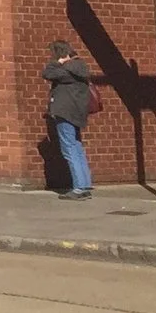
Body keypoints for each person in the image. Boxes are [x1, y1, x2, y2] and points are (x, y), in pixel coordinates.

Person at [42, 39, 95, 198]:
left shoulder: (66, 70)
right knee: (77, 146)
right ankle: (85, 183)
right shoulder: (81, 67)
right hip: (77, 112)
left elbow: (47, 73)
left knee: (69, 148)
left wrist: (59, 62)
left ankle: (79, 187)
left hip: (64, 111)